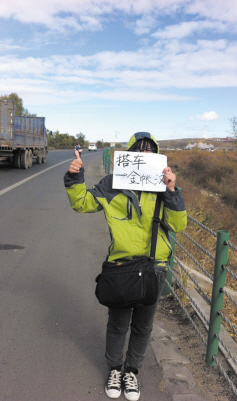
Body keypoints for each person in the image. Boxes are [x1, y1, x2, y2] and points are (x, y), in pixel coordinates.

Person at [64, 132, 187, 400]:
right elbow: (82, 204)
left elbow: (178, 226)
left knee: (143, 327)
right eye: (138, 150)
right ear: (129, 155)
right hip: (121, 267)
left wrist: (172, 192)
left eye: (149, 151)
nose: (144, 155)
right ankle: (115, 370)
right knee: (118, 324)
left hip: (154, 269)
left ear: (156, 156)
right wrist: (75, 177)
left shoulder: (164, 188)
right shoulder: (113, 184)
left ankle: (131, 371)